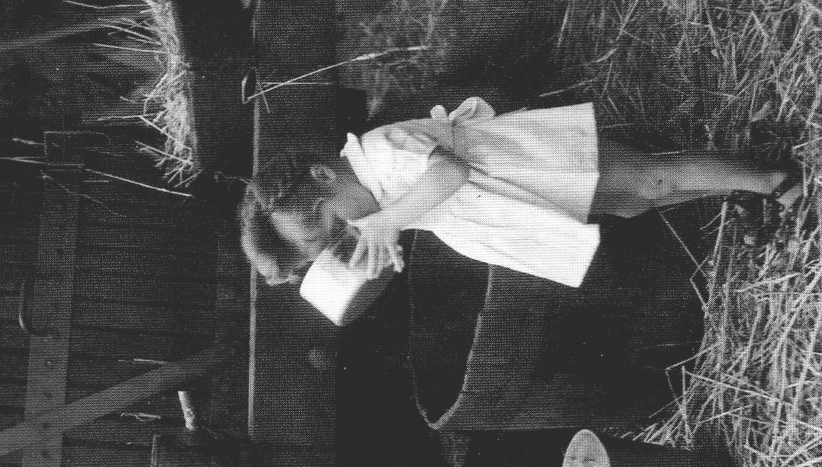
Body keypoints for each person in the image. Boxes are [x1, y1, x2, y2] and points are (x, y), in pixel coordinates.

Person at [240, 98, 800, 289]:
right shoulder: (365, 199)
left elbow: (448, 176)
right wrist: (386, 241)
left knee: (651, 178)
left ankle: (778, 180)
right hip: (516, 202)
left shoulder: (380, 151)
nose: (348, 232)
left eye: (335, 224)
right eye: (334, 240)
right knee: (634, 201)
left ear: (322, 177)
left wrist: (390, 222)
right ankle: (738, 183)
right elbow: (405, 217)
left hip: (530, 164)